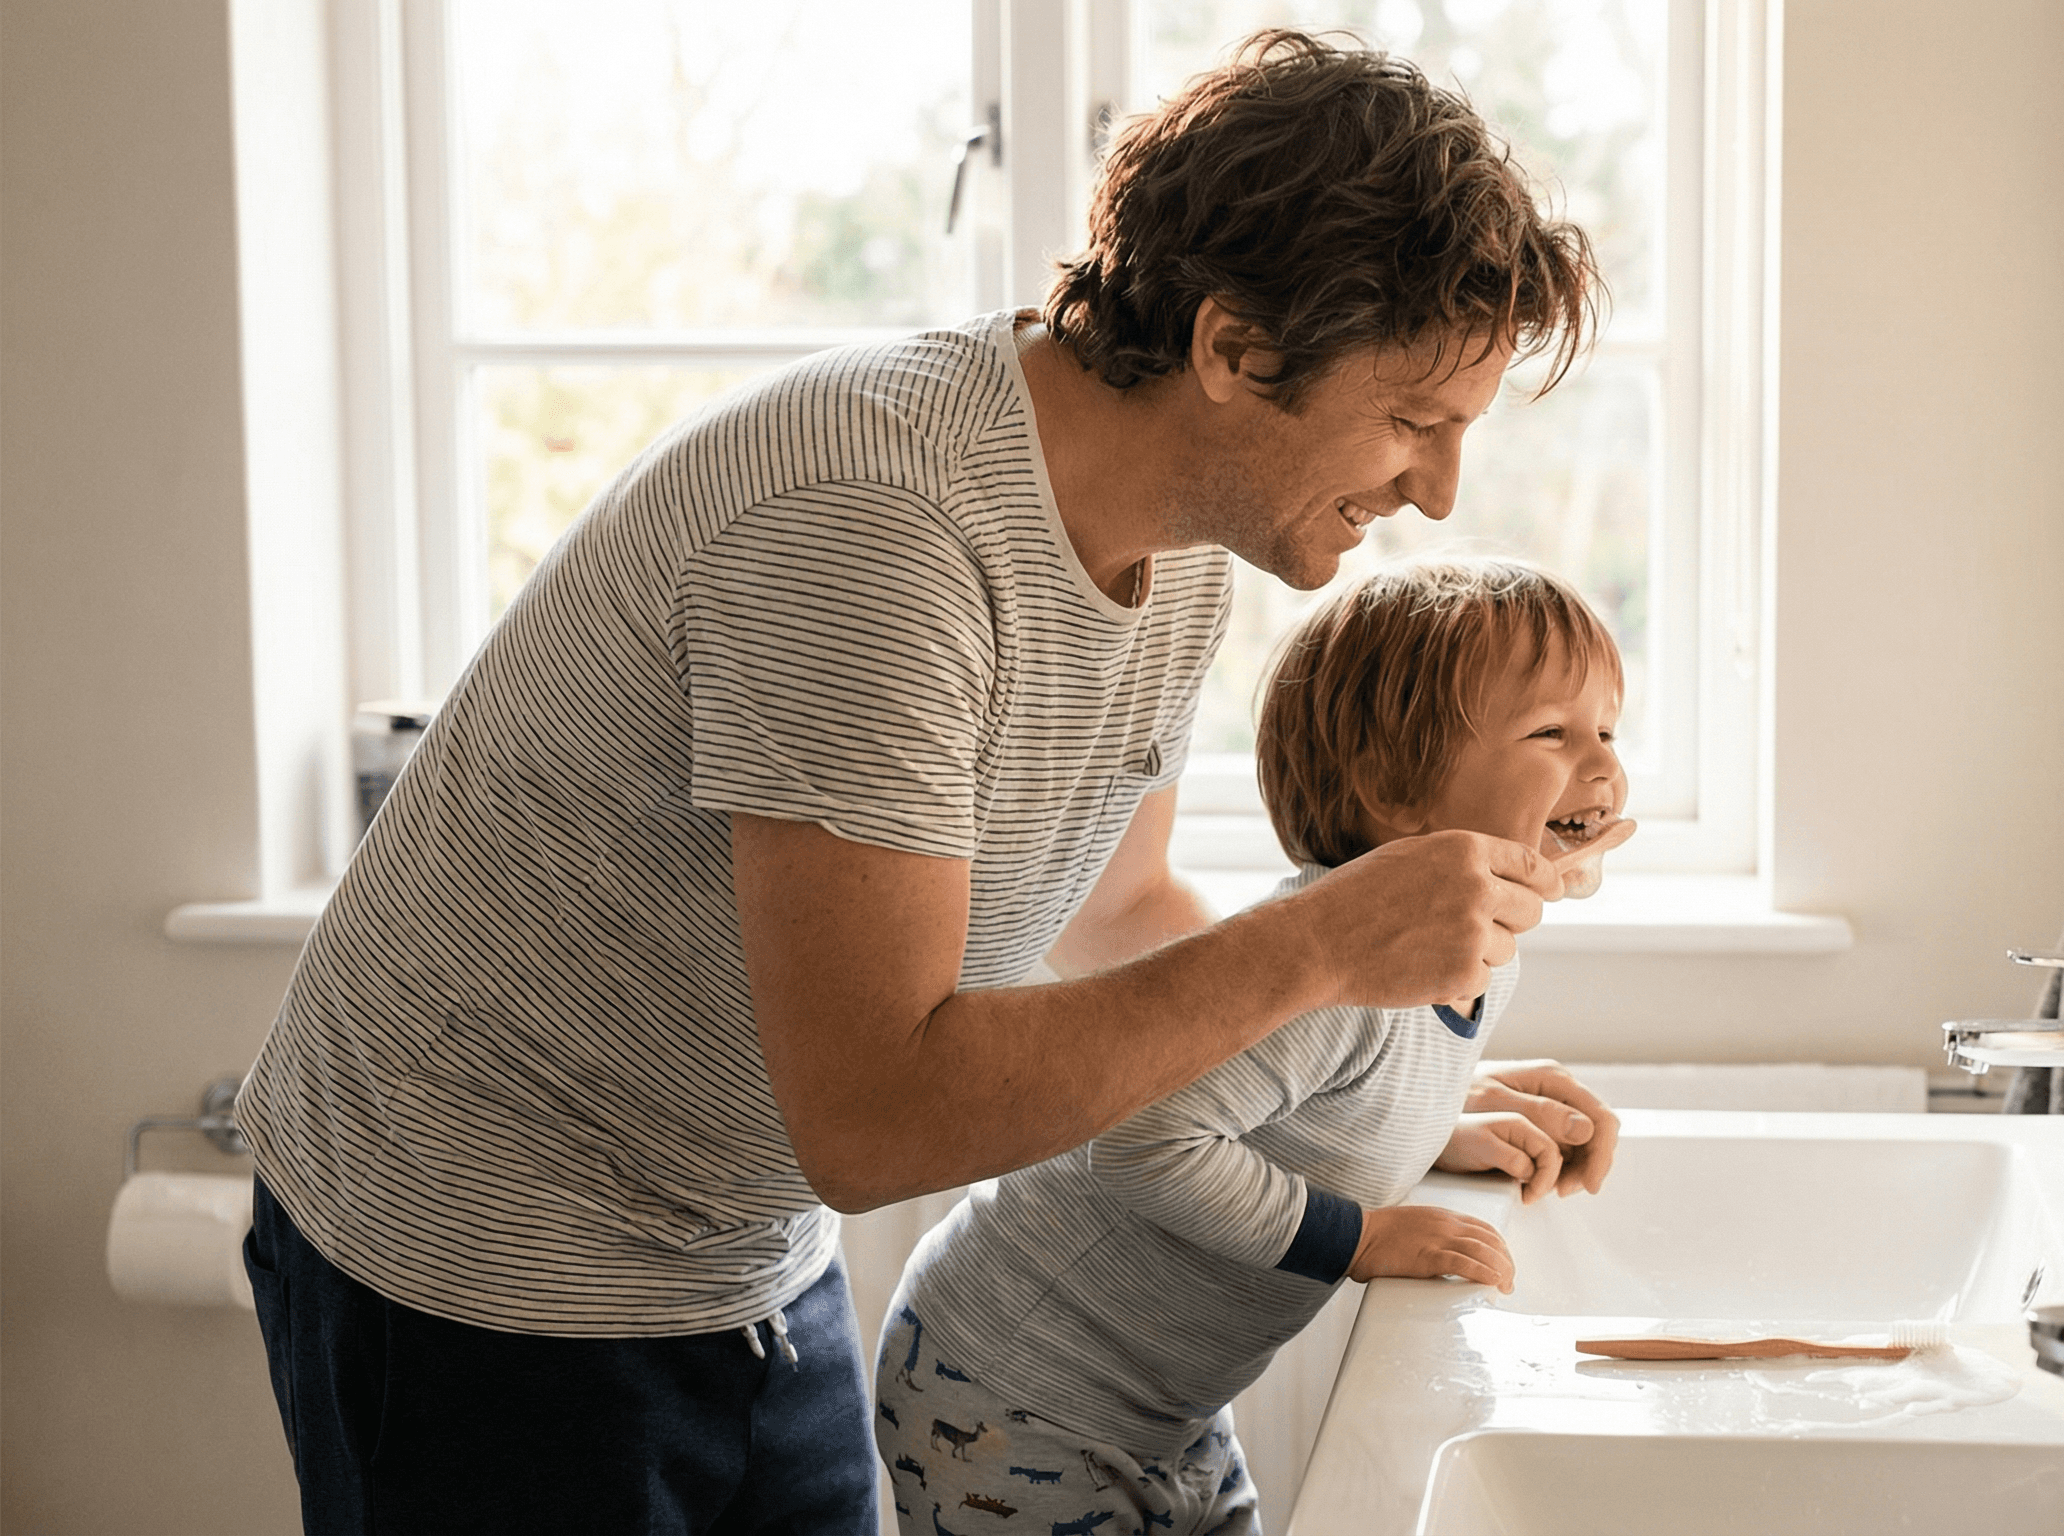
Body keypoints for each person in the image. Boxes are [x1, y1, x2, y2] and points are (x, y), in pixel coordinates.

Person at [231, 31, 1609, 1534]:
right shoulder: (878, 532)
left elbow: (1122, 908)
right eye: (1414, 420)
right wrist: (1327, 940)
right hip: (476, 1271)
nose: (1440, 490)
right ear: (1229, 351)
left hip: (742, 1251)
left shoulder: (1181, 552)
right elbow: (880, 1117)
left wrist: (1373, 1108)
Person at [873, 559, 1633, 1536]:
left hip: (1157, 1407)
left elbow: (1314, 1094)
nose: (1604, 766)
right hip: (1013, 1390)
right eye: (1551, 735)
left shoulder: (1472, 952)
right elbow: (1144, 1144)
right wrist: (1355, 1241)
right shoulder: (1324, 976)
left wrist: (1440, 1117)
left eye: (1607, 731)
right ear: (1394, 790)